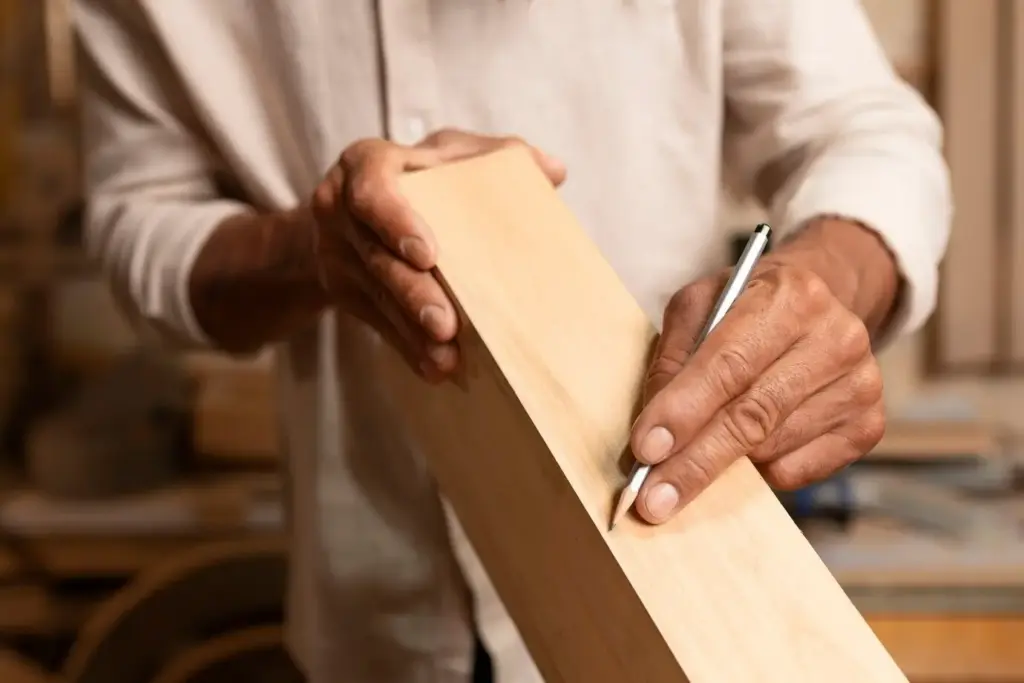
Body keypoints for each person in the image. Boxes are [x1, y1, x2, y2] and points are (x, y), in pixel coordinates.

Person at [73, 1, 951, 682]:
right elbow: (140, 220)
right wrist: (312, 251)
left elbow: (868, 131)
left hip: (681, 594)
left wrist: (830, 275)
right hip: (375, 619)